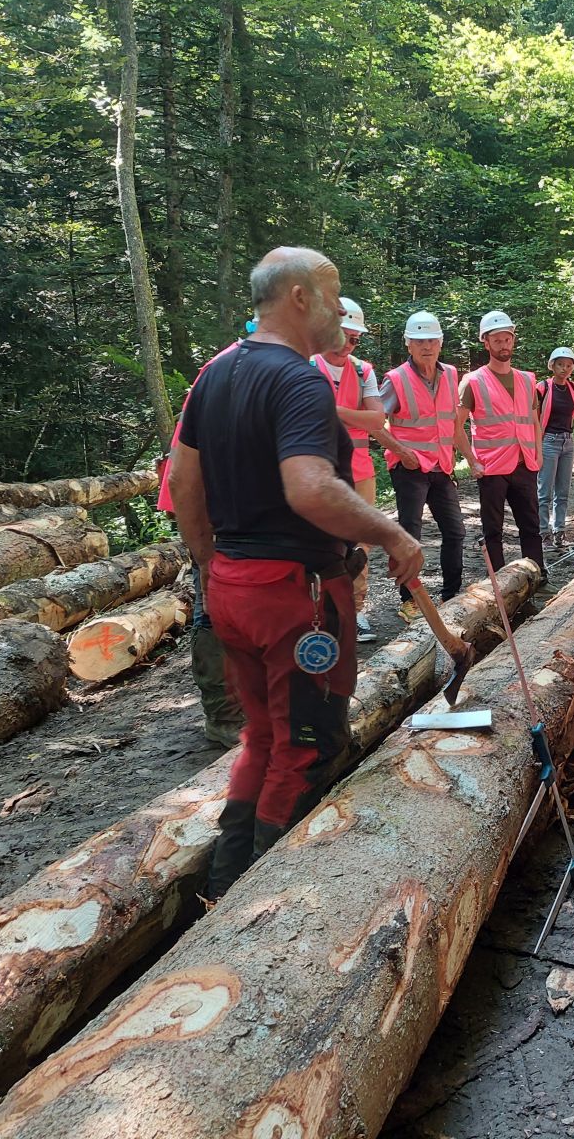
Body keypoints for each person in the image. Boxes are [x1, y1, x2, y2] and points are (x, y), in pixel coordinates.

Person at [168, 246, 424, 900]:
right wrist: (391, 531)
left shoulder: (216, 373)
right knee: (307, 748)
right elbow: (309, 489)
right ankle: (261, 898)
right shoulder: (299, 380)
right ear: (300, 298)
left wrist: (211, 562)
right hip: (295, 598)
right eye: (334, 293)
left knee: (262, 739)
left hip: (234, 588)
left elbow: (182, 478)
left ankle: (223, 882)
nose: (343, 308)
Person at [157, 336, 245, 749]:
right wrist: (205, 552)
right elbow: (183, 476)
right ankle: (224, 715)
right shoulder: (229, 369)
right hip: (213, 508)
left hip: (246, 509)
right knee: (214, 605)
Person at [379, 310, 472, 609]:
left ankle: (451, 595)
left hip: (442, 467)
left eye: (432, 339)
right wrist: (403, 453)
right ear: (408, 344)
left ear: (441, 342)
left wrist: (469, 457)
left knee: (456, 531)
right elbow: (374, 423)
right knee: (409, 535)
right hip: (409, 469)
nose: (426, 346)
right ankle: (410, 601)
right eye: (419, 341)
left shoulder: (451, 374)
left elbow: (452, 424)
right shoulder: (395, 380)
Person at [309, 296, 385, 642]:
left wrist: (332, 410)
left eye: (354, 339)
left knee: (360, 547)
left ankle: (353, 613)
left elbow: (377, 419)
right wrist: (354, 415)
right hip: (315, 472)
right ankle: (317, 616)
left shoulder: (362, 370)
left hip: (359, 471)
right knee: (318, 545)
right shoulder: (305, 365)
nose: (347, 345)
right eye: (342, 336)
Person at [456, 309, 546, 576]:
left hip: (524, 464)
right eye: (497, 340)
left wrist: (538, 454)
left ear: (513, 340)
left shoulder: (527, 379)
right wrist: (471, 461)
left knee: (530, 525)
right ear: (486, 342)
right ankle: (497, 583)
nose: (503, 344)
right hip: (491, 468)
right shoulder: (473, 382)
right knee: (492, 530)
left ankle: (537, 575)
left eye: (507, 339)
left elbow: (534, 422)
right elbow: (454, 425)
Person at [536, 346, 574, 551]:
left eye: (568, 365)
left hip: (568, 441)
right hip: (548, 440)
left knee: (563, 492)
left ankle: (559, 532)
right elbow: (533, 412)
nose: (564, 369)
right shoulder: (543, 387)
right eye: (560, 365)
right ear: (552, 366)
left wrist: (572, 417)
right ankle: (543, 534)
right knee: (545, 491)